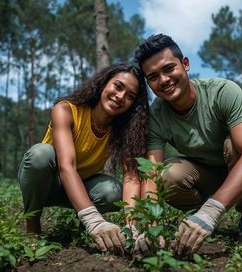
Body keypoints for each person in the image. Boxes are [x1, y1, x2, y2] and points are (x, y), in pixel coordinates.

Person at [132, 34, 242, 258]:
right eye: (153, 77)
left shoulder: (222, 91)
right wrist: (149, 225)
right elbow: (152, 173)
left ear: (185, 64)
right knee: (166, 175)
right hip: (207, 173)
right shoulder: (156, 116)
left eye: (169, 68)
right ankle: (197, 217)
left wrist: (212, 211)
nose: (164, 80)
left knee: (233, 144)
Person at [17, 63, 149, 256]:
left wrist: (132, 226)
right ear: (103, 83)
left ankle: (80, 227)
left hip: (78, 186)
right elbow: (66, 166)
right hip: (46, 182)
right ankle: (33, 222)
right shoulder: (66, 110)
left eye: (130, 96)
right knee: (41, 155)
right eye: (118, 87)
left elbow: (131, 175)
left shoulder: (123, 130)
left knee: (112, 190)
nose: (120, 97)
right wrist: (93, 219)